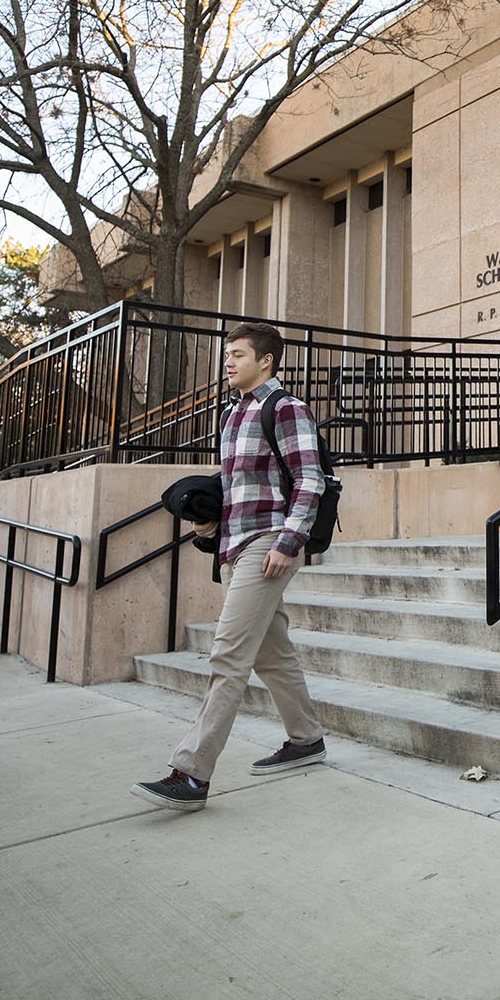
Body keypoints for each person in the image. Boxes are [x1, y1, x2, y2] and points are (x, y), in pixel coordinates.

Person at [131, 322, 329, 812]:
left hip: (270, 543)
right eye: (227, 355)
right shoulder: (234, 413)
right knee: (270, 653)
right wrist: (210, 527)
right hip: (239, 542)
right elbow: (232, 486)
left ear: (266, 360)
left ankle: (192, 774)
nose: (228, 362)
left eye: (239, 354)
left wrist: (289, 540)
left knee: (228, 655)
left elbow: (310, 480)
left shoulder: (285, 407)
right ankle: (306, 739)